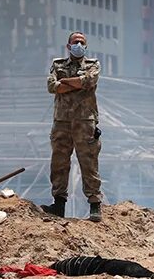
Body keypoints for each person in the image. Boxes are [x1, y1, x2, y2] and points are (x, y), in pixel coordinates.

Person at [43, 31, 102, 222]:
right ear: (68, 46)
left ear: (86, 46)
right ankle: (58, 205)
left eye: (82, 42)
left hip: (85, 121)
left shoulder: (93, 65)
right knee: (59, 163)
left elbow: (88, 81)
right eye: (75, 42)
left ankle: (94, 205)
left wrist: (66, 82)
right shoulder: (58, 64)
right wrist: (77, 83)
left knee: (88, 162)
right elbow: (52, 87)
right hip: (62, 121)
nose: (78, 44)